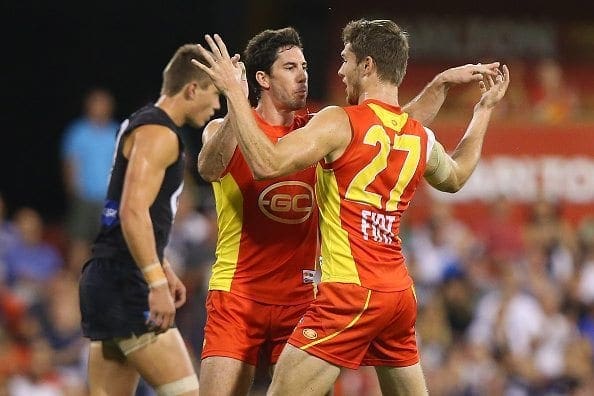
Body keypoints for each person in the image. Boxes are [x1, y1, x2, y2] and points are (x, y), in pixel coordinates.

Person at [193, 18, 510, 396]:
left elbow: (366, 134)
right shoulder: (361, 130)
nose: (326, 72)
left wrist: (231, 89)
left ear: (367, 65)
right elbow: (395, 135)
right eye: (291, 67)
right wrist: (476, 107)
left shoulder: (325, 125)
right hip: (254, 294)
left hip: (325, 295)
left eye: (309, 66)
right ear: (262, 78)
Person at [78, 43, 221, 396]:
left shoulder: (140, 123)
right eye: (214, 94)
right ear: (191, 89)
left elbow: (132, 213)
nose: (217, 106)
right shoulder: (160, 133)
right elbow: (131, 211)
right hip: (128, 283)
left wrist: (162, 268)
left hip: (108, 276)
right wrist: (155, 282)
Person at [61, 88, 118, 271]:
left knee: (110, 243)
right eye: (96, 103)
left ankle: (105, 285)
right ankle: (76, 286)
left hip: (110, 200)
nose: (100, 107)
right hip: (84, 198)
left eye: (103, 103)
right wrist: (75, 192)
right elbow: (70, 164)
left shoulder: (116, 131)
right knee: (80, 243)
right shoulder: (77, 132)